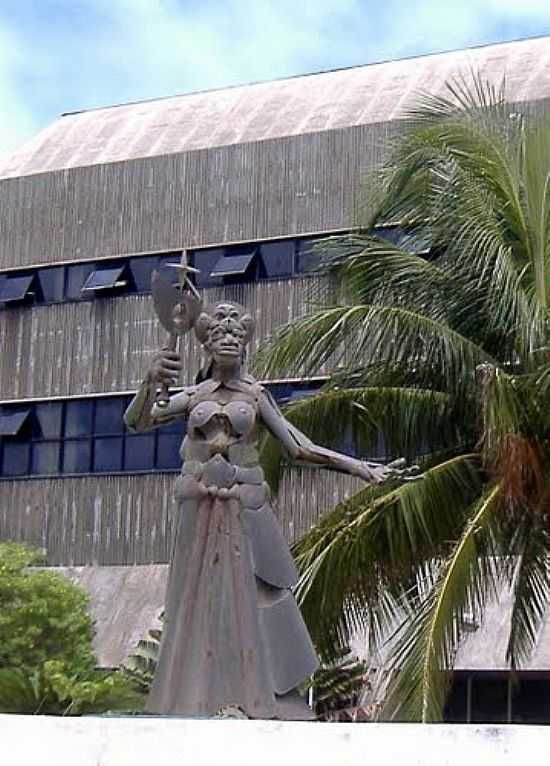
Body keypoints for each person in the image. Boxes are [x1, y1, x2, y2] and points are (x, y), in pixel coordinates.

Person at [124, 300, 394, 719]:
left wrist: (361, 468)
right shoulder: (193, 394)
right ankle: (190, 695)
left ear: (246, 345)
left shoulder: (255, 395)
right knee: (193, 597)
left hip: (242, 505)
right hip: (199, 505)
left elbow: (299, 446)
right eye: (219, 334)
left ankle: (257, 695)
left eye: (236, 335)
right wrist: (150, 380)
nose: (228, 340)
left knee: (258, 597)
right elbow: (137, 421)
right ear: (208, 345)